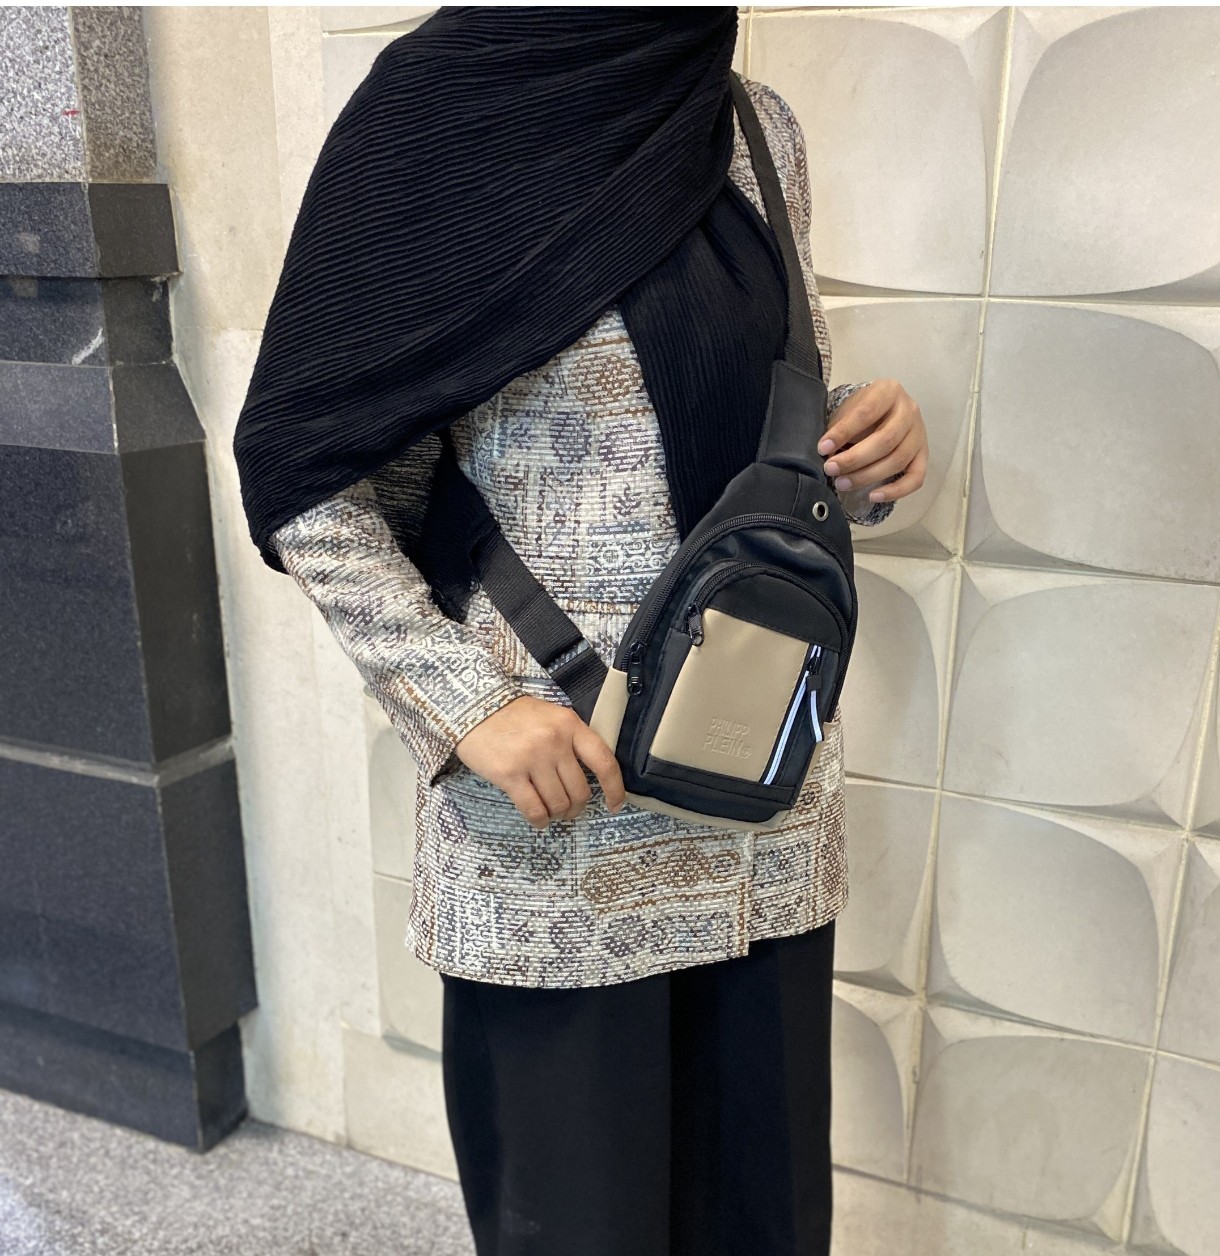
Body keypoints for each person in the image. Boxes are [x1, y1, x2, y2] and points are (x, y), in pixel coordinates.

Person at [233, 8, 928, 1254]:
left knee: (763, 1220)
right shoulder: (434, 113)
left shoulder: (748, 123)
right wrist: (465, 706)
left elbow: (737, 441)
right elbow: (307, 475)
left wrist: (856, 446)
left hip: (758, 806)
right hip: (557, 823)